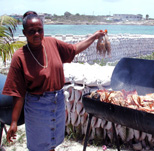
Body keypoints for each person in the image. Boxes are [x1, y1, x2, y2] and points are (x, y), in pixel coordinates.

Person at [2, 11, 105, 151]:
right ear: (24, 32)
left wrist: (94, 36)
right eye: (32, 31)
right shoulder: (20, 57)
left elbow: (74, 50)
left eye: (40, 30)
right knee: (39, 146)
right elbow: (18, 93)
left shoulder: (52, 43)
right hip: (37, 107)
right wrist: (14, 122)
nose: (37, 34)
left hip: (58, 102)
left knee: (52, 144)